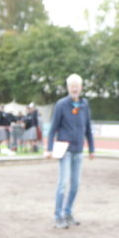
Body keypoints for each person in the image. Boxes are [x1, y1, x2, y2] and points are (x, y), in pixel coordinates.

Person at [47, 74, 95, 229]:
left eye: (77, 86)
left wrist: (92, 148)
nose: (75, 89)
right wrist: (49, 149)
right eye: (72, 86)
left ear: (81, 87)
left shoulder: (84, 104)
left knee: (75, 184)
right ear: (68, 88)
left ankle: (67, 212)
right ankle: (58, 216)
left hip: (78, 150)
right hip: (65, 150)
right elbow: (53, 128)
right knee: (63, 183)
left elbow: (88, 128)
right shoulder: (61, 104)